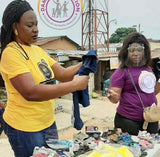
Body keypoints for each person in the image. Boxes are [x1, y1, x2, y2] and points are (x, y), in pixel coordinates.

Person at [0, 0, 89, 157]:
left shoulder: (37, 50)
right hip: (25, 128)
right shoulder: (11, 54)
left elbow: (62, 74)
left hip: (48, 122)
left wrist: (86, 63)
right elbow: (31, 92)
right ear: (15, 27)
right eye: (30, 25)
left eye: (36, 25)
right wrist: (74, 86)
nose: (35, 30)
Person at [107, 32, 159, 135]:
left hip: (151, 119)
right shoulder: (121, 72)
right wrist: (113, 97)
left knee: (151, 149)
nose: (135, 53)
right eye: (132, 50)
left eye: (139, 50)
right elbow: (114, 99)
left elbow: (151, 92)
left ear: (145, 52)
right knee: (130, 150)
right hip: (128, 122)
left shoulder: (148, 69)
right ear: (126, 52)